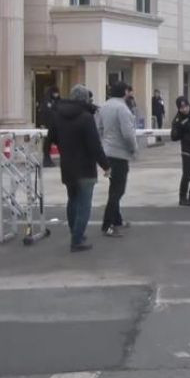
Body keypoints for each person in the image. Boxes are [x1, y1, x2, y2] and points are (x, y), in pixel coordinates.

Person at [47, 85, 110, 252]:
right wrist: (105, 165)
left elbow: (50, 139)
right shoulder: (86, 117)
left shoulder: (57, 115)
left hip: (67, 165)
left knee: (72, 200)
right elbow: (94, 145)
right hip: (85, 167)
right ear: (85, 100)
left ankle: (75, 232)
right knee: (84, 204)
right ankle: (77, 239)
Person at [96, 82, 137, 238]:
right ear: (125, 92)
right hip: (119, 154)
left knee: (114, 186)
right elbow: (128, 133)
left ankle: (117, 220)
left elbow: (99, 129)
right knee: (118, 190)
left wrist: (104, 143)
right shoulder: (122, 109)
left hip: (107, 151)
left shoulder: (104, 106)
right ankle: (107, 224)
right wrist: (133, 149)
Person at [36, 86, 60, 168]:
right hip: (48, 126)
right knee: (47, 144)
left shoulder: (58, 101)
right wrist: (42, 124)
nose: (56, 94)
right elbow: (43, 114)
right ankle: (46, 160)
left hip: (57, 126)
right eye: (55, 92)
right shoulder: (46, 102)